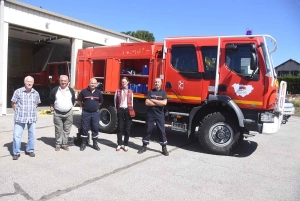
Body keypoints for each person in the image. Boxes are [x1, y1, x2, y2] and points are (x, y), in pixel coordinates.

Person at [11, 76, 41, 160]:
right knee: (17, 135)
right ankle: (16, 152)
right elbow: (13, 103)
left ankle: (30, 150)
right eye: (27, 81)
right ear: (24, 82)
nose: (29, 83)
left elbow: (36, 104)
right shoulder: (18, 92)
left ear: (33, 83)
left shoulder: (36, 93)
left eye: (31, 81)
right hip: (20, 117)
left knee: (32, 135)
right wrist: (17, 111)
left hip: (32, 117)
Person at [137, 78, 169, 156]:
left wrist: (153, 101)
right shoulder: (150, 92)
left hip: (160, 115)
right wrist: (158, 103)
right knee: (148, 130)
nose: (156, 83)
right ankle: (144, 146)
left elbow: (164, 103)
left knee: (162, 131)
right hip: (150, 115)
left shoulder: (163, 93)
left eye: (158, 82)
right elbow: (147, 102)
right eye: (155, 82)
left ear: (161, 83)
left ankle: (164, 148)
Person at [49, 75, 75, 151]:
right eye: (62, 80)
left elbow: (73, 100)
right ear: (59, 81)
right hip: (57, 113)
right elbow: (51, 100)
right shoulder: (55, 90)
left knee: (67, 130)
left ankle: (64, 144)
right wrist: (55, 107)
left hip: (68, 113)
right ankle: (58, 144)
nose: (63, 82)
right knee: (58, 130)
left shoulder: (71, 90)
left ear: (68, 81)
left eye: (65, 81)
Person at [77, 78, 104, 151]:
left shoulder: (98, 92)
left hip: (95, 113)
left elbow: (101, 102)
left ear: (96, 84)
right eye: (92, 83)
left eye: (94, 83)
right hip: (86, 113)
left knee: (95, 128)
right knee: (85, 128)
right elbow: (79, 100)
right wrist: (82, 106)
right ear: (89, 83)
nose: (93, 85)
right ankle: (83, 143)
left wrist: (96, 107)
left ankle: (95, 144)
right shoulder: (84, 91)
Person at [114, 77, 134, 152]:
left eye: (125, 82)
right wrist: (117, 110)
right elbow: (115, 102)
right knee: (120, 128)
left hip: (128, 110)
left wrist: (130, 111)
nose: (123, 83)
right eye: (122, 82)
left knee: (127, 129)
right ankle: (119, 144)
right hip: (120, 110)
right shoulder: (118, 91)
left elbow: (131, 103)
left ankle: (126, 144)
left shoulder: (130, 92)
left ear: (128, 82)